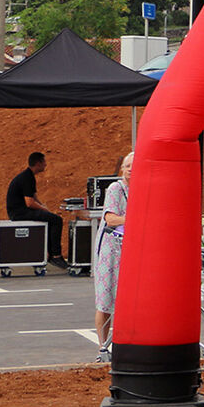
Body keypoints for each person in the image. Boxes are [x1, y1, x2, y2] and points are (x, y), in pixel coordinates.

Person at [91, 152, 132, 358]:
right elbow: (111, 219)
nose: (131, 169)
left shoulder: (143, 189)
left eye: (134, 166)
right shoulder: (116, 188)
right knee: (106, 299)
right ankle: (102, 346)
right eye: (127, 166)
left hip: (131, 249)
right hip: (111, 250)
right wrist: (138, 217)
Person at [6, 150, 68, 271]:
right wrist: (44, 210)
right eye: (44, 162)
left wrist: (44, 208)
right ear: (38, 163)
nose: (45, 164)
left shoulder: (28, 176)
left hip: (20, 211)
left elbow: (34, 198)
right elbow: (29, 203)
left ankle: (51, 253)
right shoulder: (27, 177)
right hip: (19, 213)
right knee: (56, 220)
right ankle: (55, 255)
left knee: (51, 218)